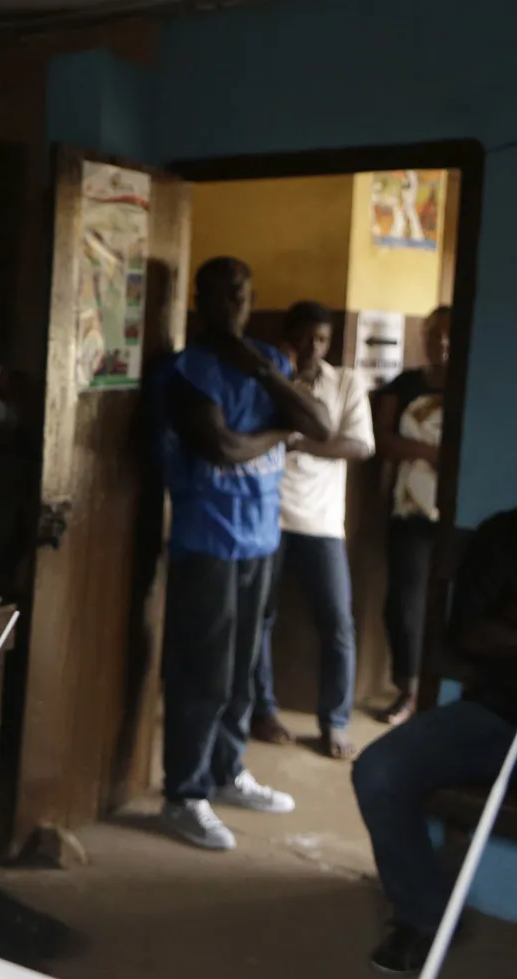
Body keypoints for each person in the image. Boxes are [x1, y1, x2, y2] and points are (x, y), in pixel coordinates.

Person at [152, 256, 334, 851]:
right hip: (207, 543)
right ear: (200, 300)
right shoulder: (187, 370)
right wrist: (283, 430)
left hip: (263, 541)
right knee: (202, 674)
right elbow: (222, 447)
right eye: (224, 291)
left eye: (244, 291)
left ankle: (227, 773)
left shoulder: (271, 361)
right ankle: (184, 794)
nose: (235, 300)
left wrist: (265, 371)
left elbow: (322, 426)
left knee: (242, 674)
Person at [353, 507, 517, 974]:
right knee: (379, 771)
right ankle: (424, 915)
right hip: (496, 716)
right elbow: (468, 633)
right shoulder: (505, 534)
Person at [252, 302, 375, 759]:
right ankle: (262, 710)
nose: (312, 347)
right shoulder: (270, 378)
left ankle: (335, 722)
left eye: (321, 339)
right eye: (305, 337)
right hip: (269, 517)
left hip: (322, 523)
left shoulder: (344, 383)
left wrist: (301, 441)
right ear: (289, 337)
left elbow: (360, 444)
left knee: (338, 625)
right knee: (260, 617)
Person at [374, 305, 453, 725]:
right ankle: (408, 689)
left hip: (455, 515)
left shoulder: (474, 384)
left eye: (448, 335)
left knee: (451, 604)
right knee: (404, 604)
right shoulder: (405, 386)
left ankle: (443, 693)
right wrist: (429, 453)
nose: (440, 343)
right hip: (409, 511)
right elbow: (383, 440)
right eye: (433, 334)